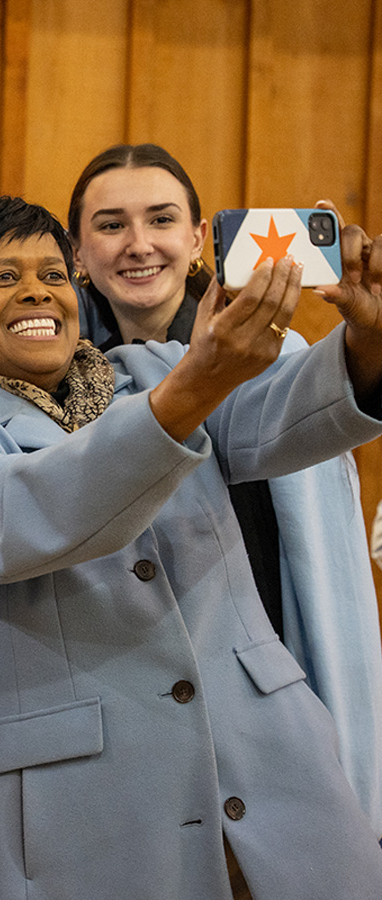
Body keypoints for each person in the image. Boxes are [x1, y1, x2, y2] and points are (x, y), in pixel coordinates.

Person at [0, 196, 382, 898]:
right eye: (3, 278)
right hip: (87, 833)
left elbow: (292, 412)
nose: (37, 291)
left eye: (54, 275)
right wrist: (196, 387)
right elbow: (31, 512)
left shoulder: (156, 372)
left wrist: (369, 342)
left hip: (277, 798)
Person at [68, 143, 382, 834]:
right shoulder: (58, 382)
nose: (139, 244)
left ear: (198, 235)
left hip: (268, 678)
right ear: (78, 252)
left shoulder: (278, 355)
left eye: (161, 219)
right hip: (130, 693)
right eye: (111, 225)